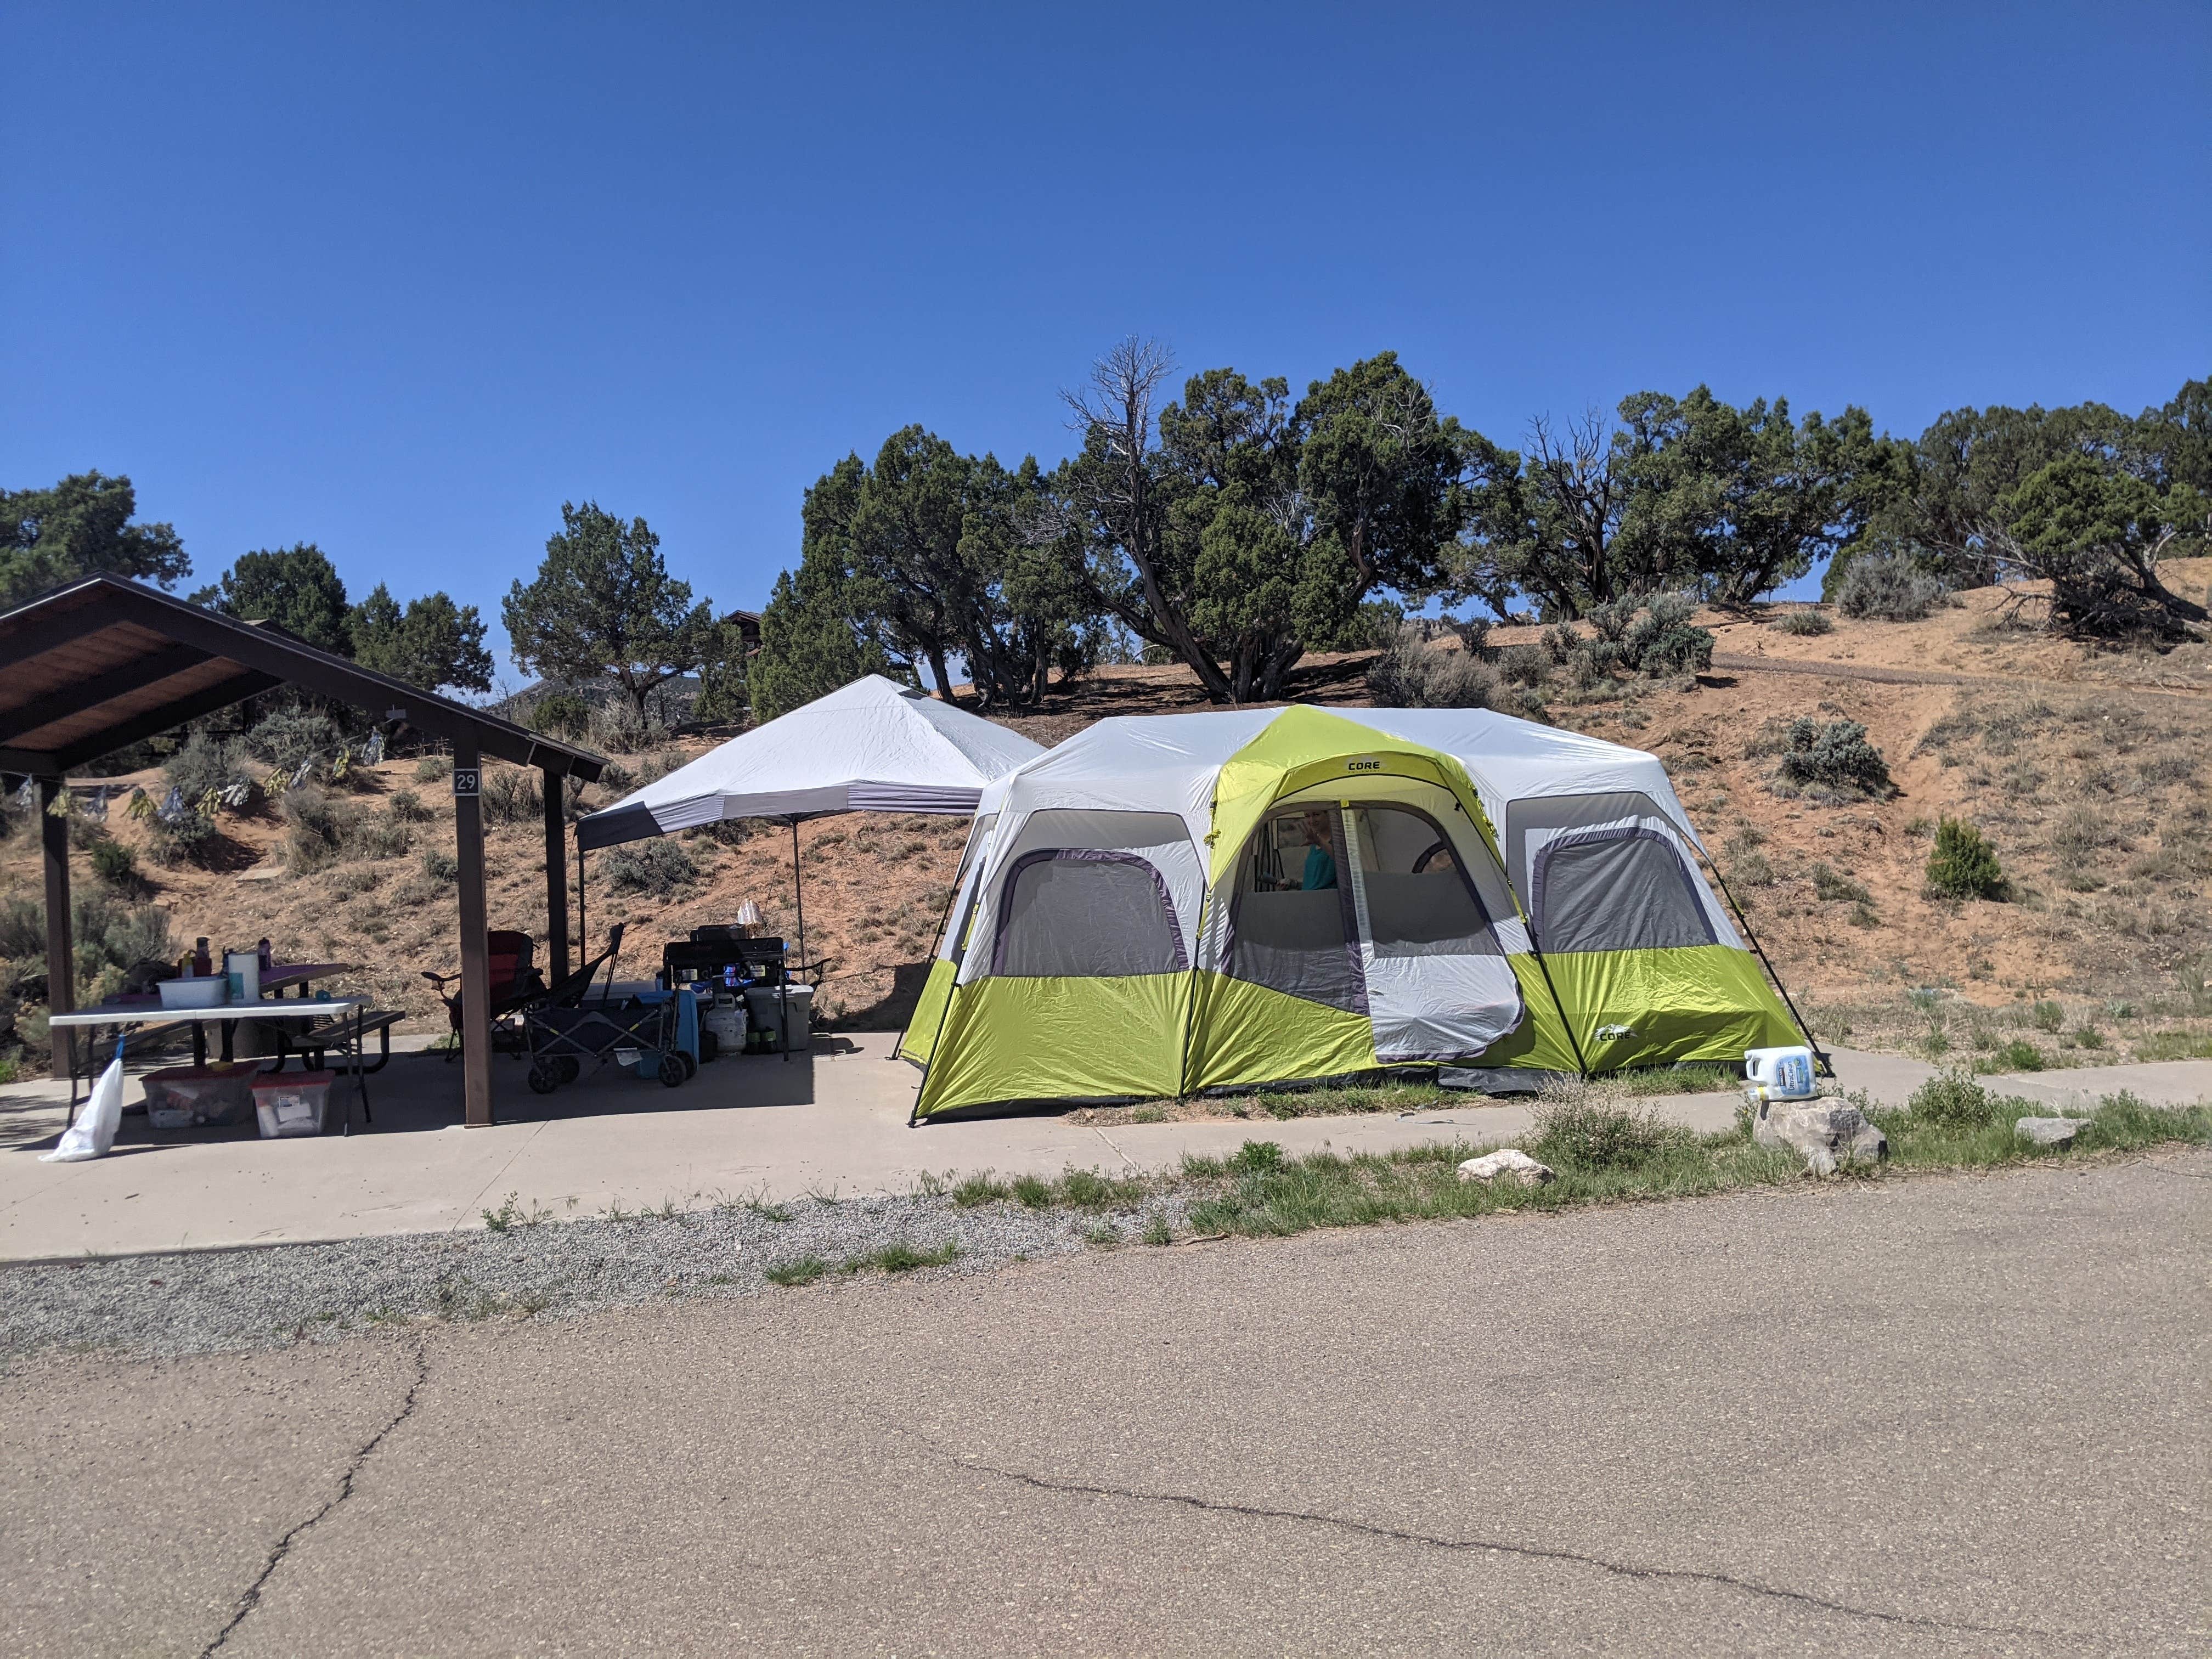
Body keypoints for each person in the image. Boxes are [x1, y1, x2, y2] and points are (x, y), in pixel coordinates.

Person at [1299, 810, 1338, 890]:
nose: (1312, 821)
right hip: (1309, 896)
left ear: (1328, 814)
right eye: (1307, 816)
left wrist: (1320, 842)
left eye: (1316, 815)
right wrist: (1295, 884)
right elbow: (1314, 884)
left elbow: (1344, 862)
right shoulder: (1313, 845)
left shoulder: (1338, 841)